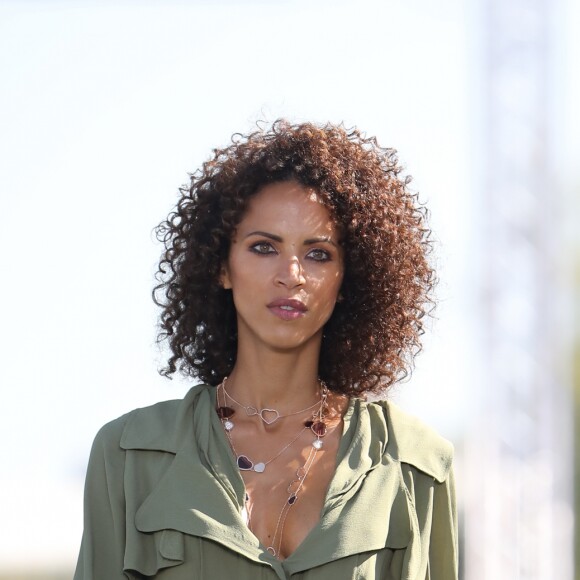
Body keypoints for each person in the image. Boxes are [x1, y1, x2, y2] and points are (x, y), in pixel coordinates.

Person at [74, 120, 458, 580]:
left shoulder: (415, 464)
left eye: (318, 253)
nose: (291, 273)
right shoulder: (129, 455)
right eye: (263, 247)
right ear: (222, 266)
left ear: (346, 281)